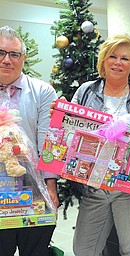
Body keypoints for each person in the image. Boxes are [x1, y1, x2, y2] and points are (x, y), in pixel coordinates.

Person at [69, 34, 130, 256]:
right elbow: (71, 129)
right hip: (94, 186)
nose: (118, 62)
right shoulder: (86, 91)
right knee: (84, 249)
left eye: (125, 58)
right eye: (112, 56)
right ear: (103, 61)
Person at [0, 26, 59, 255]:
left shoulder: (42, 91)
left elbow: (49, 142)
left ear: (23, 58)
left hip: (34, 192)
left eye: (14, 54)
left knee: (35, 251)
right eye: (1, 53)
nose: (7, 60)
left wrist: (51, 187)